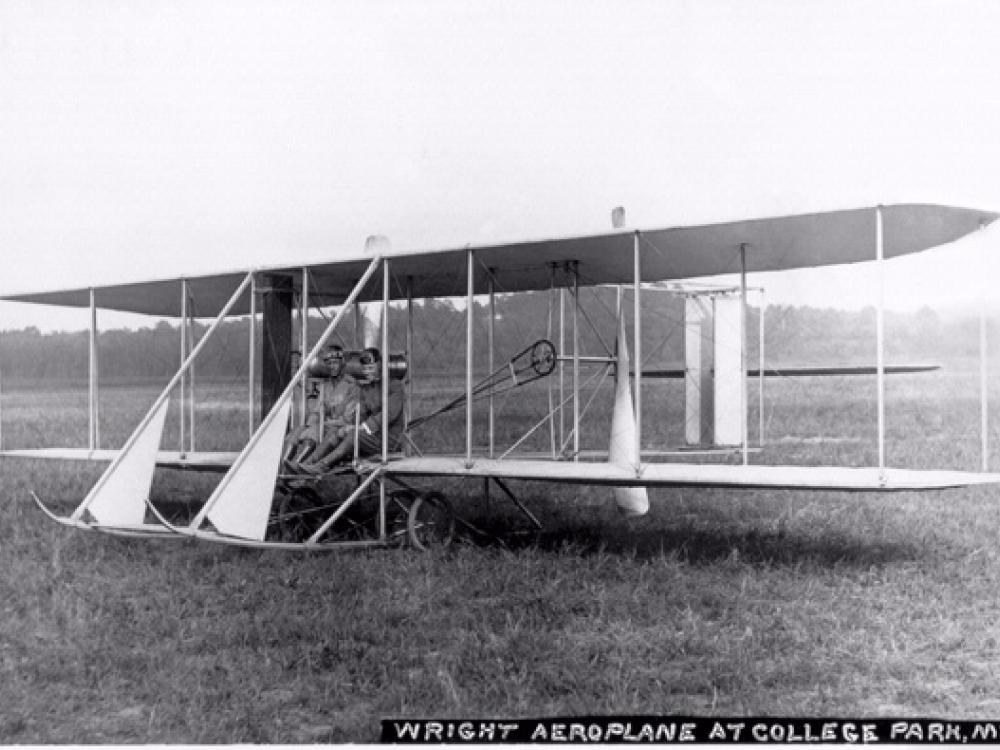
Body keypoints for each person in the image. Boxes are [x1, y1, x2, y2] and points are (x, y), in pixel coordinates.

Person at [298, 347, 405, 473]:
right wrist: (350, 426)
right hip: (372, 437)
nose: (367, 372)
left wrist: (362, 427)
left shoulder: (395, 386)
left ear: (380, 366)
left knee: (354, 435)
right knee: (336, 432)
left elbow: (389, 414)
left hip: (389, 440)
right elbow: (361, 415)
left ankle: (321, 466)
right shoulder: (367, 389)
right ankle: (306, 465)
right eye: (365, 369)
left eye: (371, 368)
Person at [283, 344, 357, 468]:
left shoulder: (352, 386)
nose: (332, 367)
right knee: (297, 432)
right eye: (329, 363)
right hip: (324, 426)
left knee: (314, 432)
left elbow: (349, 419)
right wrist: (309, 424)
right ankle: (283, 466)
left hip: (339, 428)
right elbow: (317, 411)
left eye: (335, 363)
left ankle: (299, 466)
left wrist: (324, 423)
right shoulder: (326, 386)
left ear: (342, 363)